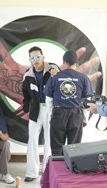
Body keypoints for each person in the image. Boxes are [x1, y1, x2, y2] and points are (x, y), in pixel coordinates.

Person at [43, 50, 94, 156]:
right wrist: (84, 119)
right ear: (77, 62)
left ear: (64, 62)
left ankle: (57, 170)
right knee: (74, 148)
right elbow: (86, 101)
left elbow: (48, 99)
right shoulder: (83, 78)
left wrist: (50, 115)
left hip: (58, 112)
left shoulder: (55, 77)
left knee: (57, 147)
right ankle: (72, 171)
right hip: (76, 113)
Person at [21, 46, 60, 182]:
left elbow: (61, 87)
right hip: (35, 110)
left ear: (43, 57)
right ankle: (32, 172)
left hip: (51, 109)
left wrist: (57, 75)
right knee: (32, 139)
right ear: (30, 60)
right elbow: (26, 95)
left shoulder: (53, 69)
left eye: (38, 57)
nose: (35, 60)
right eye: (32, 58)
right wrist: (27, 110)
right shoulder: (28, 75)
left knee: (50, 140)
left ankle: (47, 171)